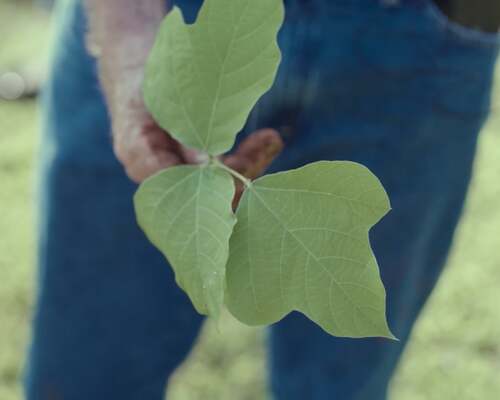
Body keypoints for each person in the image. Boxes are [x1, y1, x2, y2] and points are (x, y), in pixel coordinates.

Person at [24, 0, 500, 399]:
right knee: (83, 372)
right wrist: (125, 29)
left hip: (423, 39)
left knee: (341, 383)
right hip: (168, 20)